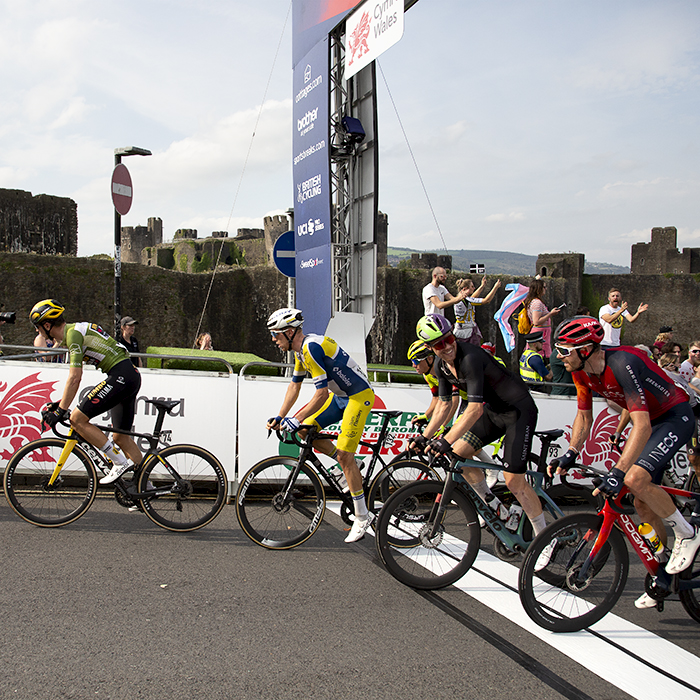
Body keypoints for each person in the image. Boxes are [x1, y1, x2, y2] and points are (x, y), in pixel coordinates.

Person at [548, 316, 700, 607]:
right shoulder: (581, 371)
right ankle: (663, 570)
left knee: (633, 480)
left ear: (585, 349)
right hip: (652, 423)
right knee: (642, 502)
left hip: (674, 416)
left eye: (564, 349)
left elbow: (640, 426)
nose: (558, 355)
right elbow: (583, 416)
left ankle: (687, 533)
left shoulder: (622, 363)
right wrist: (571, 452)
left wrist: (618, 471)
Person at [411, 314, 548, 539]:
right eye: (439, 344)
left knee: (514, 481)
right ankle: (496, 507)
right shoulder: (440, 366)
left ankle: (543, 538)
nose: (446, 347)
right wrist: (425, 436)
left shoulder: (470, 359)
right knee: (458, 456)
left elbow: (474, 410)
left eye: (449, 339)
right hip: (496, 412)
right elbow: (444, 405)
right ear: (430, 347)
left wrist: (445, 440)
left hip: (519, 411)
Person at [265, 308, 376, 543]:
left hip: (358, 396)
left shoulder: (310, 347)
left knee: (344, 454)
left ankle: (362, 516)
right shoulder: (299, 352)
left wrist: (295, 419)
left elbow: (321, 394)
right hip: (341, 397)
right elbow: (294, 387)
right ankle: (351, 466)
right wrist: (281, 415)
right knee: (306, 429)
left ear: (290, 332)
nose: (274, 340)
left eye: (276, 334)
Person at [30, 299, 142, 485]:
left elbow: (75, 377)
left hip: (122, 376)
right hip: (129, 376)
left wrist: (60, 412)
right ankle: (144, 489)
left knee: (77, 419)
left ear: (48, 324)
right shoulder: (74, 331)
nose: (37, 331)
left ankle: (119, 461)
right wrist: (61, 404)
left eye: (38, 327)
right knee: (121, 437)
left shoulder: (72, 335)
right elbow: (73, 382)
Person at [453, 276, 502, 345]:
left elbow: (472, 298)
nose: (474, 288)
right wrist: (495, 287)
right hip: (467, 332)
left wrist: (482, 286)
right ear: (465, 289)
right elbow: (486, 300)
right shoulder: (467, 300)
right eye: (472, 286)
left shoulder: (459, 298)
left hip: (458, 330)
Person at [523, 279, 561, 358]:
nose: (546, 289)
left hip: (542, 333)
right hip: (541, 333)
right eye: (544, 287)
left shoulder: (533, 301)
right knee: (541, 355)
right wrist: (550, 314)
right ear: (538, 289)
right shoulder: (537, 303)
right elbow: (536, 321)